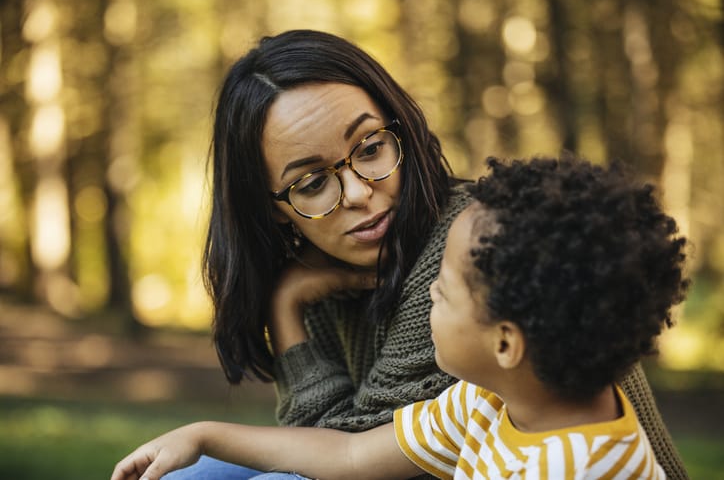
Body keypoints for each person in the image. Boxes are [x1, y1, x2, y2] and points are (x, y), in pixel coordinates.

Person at [156, 29, 688, 479]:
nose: (360, 192)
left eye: (369, 149)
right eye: (314, 182)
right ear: (272, 208)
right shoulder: (476, 403)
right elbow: (346, 454)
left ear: (400, 131)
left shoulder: (469, 251)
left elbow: (338, 459)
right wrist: (204, 432)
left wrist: (285, 308)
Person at [111, 156, 689, 480]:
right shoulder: (488, 399)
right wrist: (203, 435)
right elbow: (352, 454)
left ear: (507, 343)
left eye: (443, 289)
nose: (427, 292)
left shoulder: (575, 469)